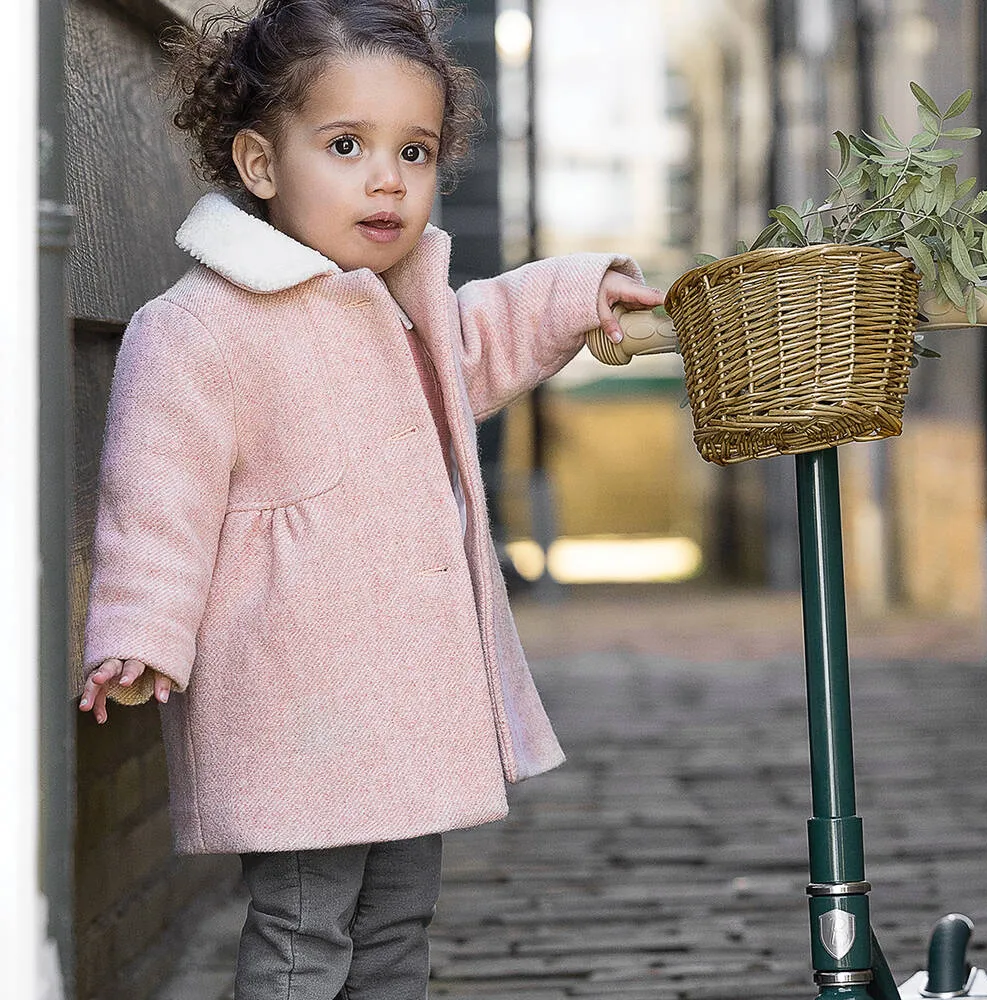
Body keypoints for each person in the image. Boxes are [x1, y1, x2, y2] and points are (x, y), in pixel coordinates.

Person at [78, 2, 663, 997]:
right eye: (346, 145)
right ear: (261, 165)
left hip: (404, 707)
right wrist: (138, 629)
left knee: (397, 920)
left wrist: (575, 293)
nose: (387, 179)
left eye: (415, 150)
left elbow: (480, 337)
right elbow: (154, 500)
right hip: (300, 709)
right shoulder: (201, 329)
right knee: (308, 929)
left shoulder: (399, 303)